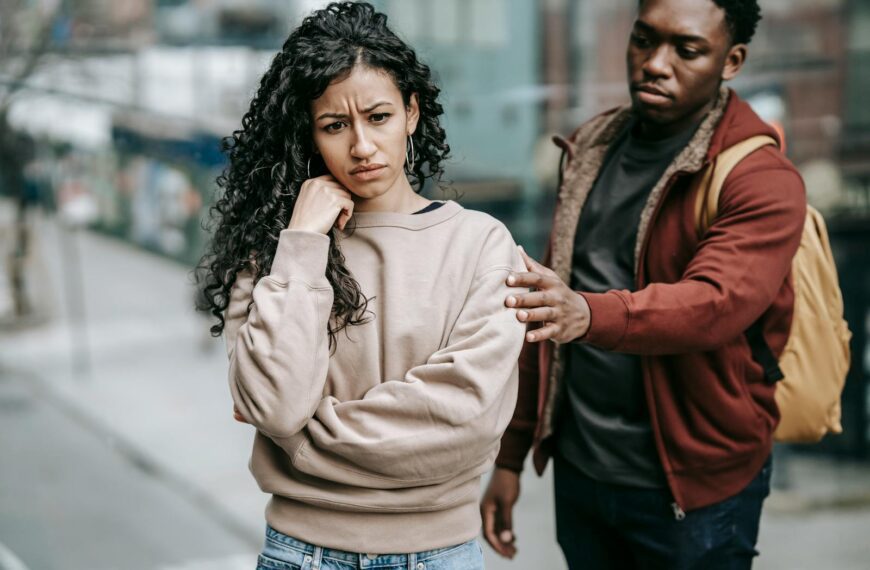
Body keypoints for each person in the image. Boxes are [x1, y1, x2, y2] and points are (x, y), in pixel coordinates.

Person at [196, 3, 526, 569]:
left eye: (378, 117)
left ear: (412, 113)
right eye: (334, 125)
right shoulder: (278, 253)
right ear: (310, 132)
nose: (362, 147)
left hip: (440, 554)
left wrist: (300, 444)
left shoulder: (482, 245)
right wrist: (301, 240)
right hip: (300, 555)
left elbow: (463, 421)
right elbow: (276, 405)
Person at [481, 0, 806, 568]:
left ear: (731, 61)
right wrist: (510, 457)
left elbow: (715, 304)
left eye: (687, 50)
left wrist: (588, 313)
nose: (655, 64)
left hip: (693, 486)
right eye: (643, 40)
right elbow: (546, 307)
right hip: (582, 472)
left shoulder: (761, 178)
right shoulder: (592, 148)